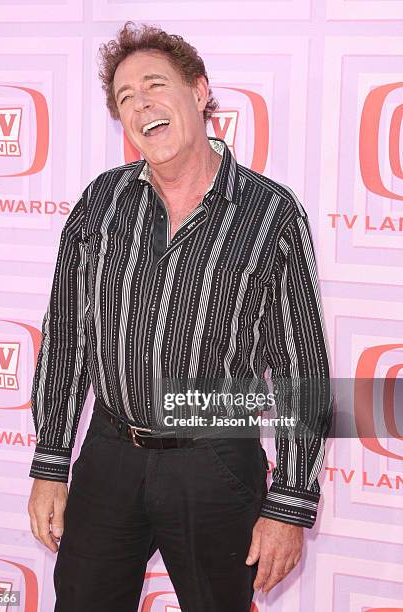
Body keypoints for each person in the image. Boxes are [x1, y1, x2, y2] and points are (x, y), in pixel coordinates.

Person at [27, 21, 332, 612]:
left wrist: (290, 505)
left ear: (198, 91)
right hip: (111, 452)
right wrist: (50, 463)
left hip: (215, 458)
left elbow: (303, 368)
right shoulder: (101, 202)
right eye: (125, 97)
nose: (141, 104)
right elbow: (67, 336)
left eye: (155, 85)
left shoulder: (270, 213)